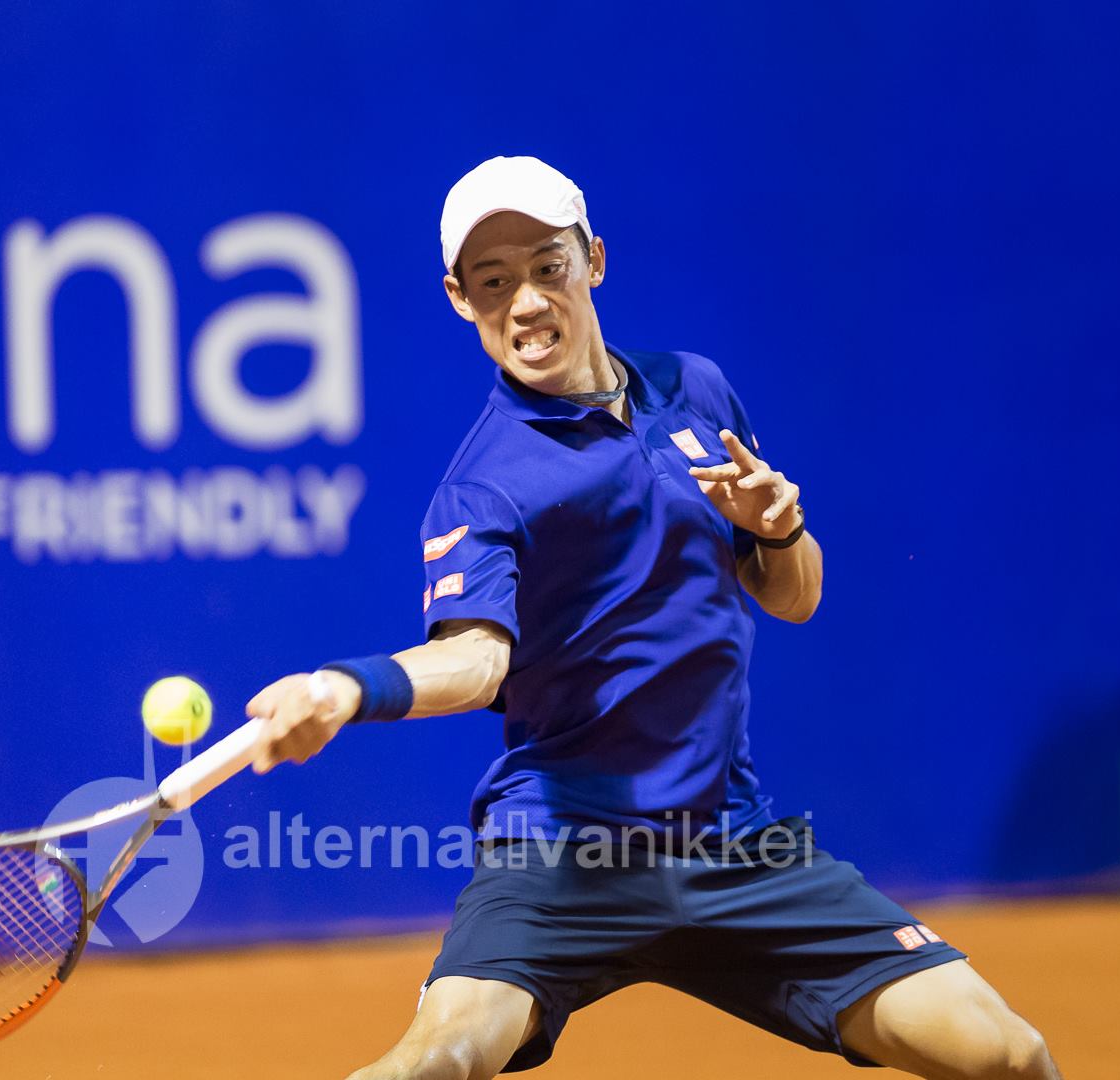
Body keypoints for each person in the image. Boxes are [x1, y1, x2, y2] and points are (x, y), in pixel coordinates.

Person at [245, 156, 1061, 1079]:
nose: (523, 304)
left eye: (545, 268)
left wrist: (778, 526)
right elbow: (476, 662)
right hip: (560, 854)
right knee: (438, 1063)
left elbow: (795, 597)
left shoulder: (696, 391)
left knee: (1008, 1054)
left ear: (593, 260)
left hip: (737, 845)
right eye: (492, 283)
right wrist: (344, 687)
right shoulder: (484, 486)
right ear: (458, 300)